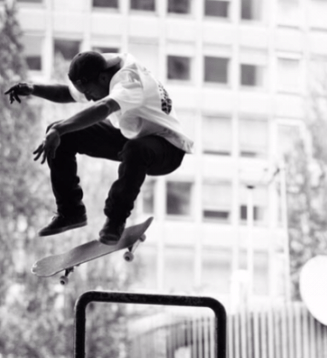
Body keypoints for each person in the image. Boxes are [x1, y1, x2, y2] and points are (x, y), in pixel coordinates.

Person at [5, 50, 194, 245]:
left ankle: (115, 221)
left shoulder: (129, 81)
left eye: (89, 92)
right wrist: (32, 89)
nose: (88, 98)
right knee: (66, 135)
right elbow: (66, 93)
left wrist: (59, 129)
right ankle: (71, 212)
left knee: (134, 148)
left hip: (167, 149)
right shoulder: (102, 65)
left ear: (103, 78)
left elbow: (104, 108)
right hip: (134, 134)